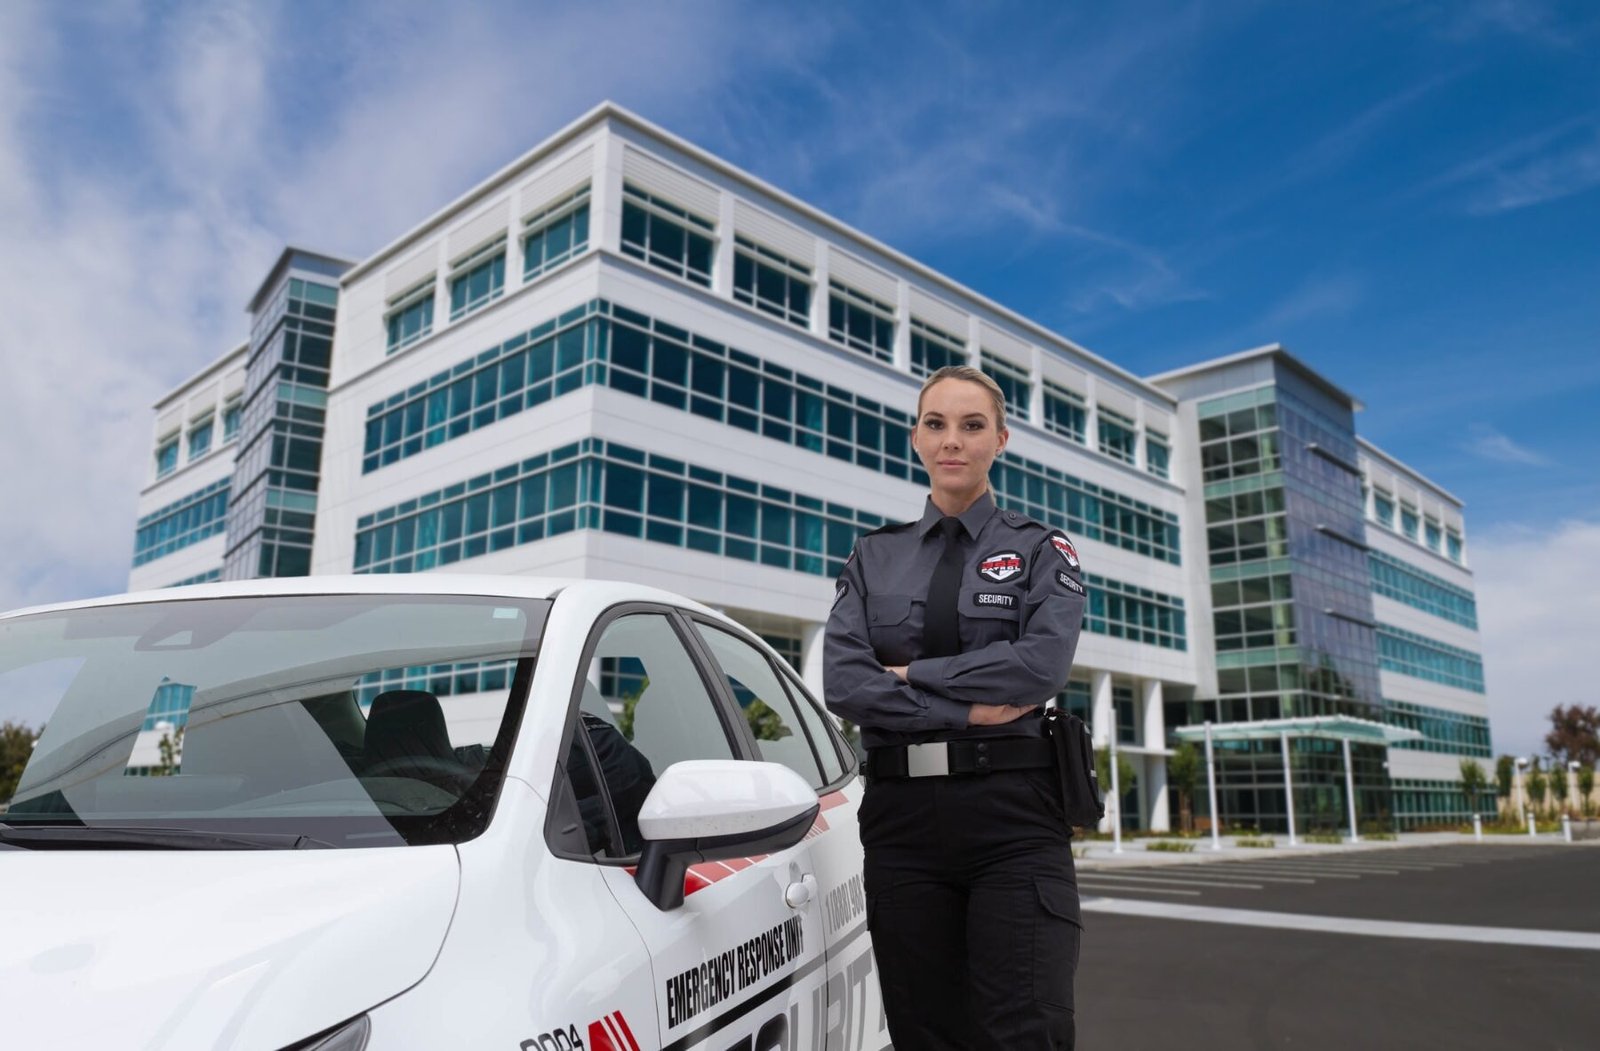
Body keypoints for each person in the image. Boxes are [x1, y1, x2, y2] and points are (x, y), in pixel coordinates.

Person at [824, 364, 1089, 1049]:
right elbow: (846, 682)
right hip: (901, 824)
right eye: (936, 424)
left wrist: (916, 673)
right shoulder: (872, 557)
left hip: (1014, 817)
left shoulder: (1038, 550)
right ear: (915, 438)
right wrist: (969, 709)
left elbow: (1040, 667)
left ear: (1000, 438)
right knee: (925, 1035)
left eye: (972, 426)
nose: (953, 441)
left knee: (1025, 1032)